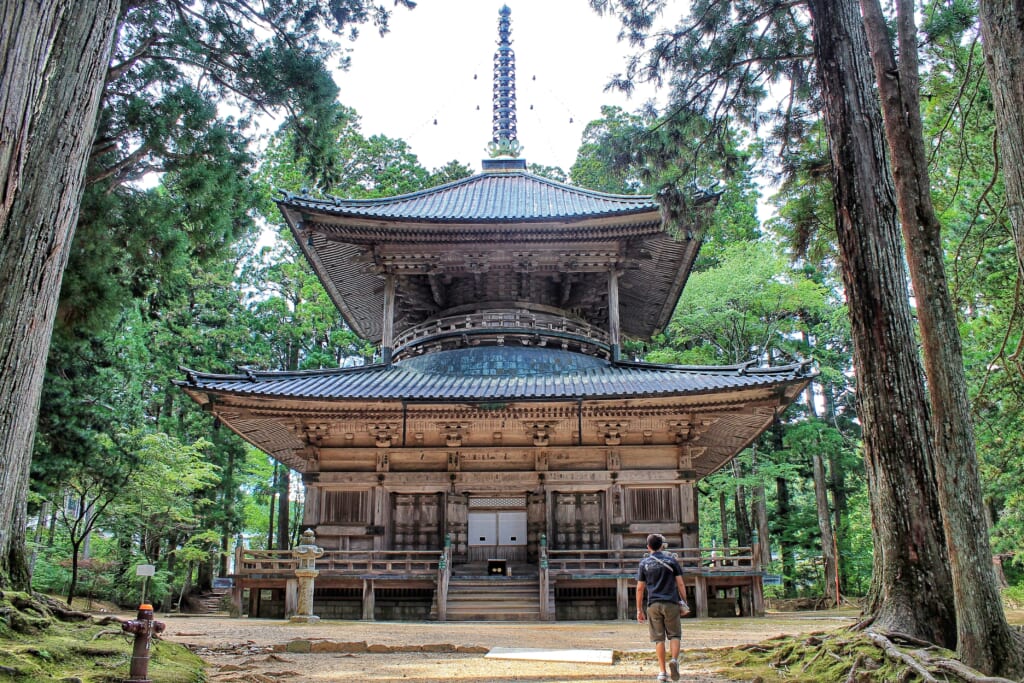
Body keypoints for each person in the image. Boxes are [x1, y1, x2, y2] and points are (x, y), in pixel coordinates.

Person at [636, 533, 689, 681]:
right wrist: (684, 601)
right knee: (675, 635)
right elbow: (680, 583)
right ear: (662, 546)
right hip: (671, 602)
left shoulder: (644, 564)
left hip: (653, 604)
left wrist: (639, 610)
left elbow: (640, 588)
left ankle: (662, 672)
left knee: (659, 639)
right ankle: (674, 660)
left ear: (648, 547)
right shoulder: (672, 561)